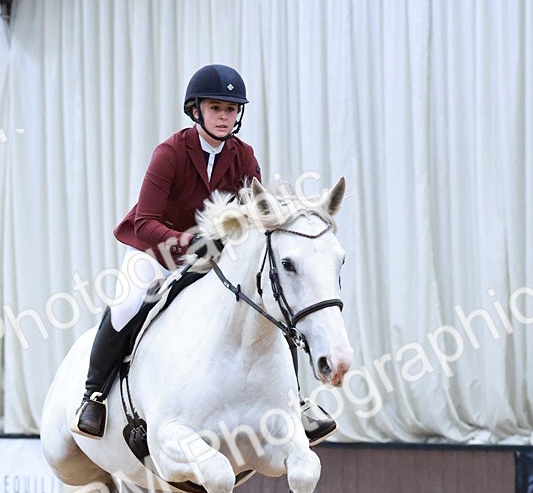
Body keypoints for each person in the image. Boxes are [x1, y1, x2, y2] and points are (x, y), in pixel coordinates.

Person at [71, 64, 336, 445]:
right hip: (159, 251)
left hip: (214, 259)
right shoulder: (170, 154)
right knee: (128, 301)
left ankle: (296, 400)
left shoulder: (244, 156)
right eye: (216, 108)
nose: (224, 117)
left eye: (231, 110)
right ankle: (93, 395)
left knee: (269, 303)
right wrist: (185, 242)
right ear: (195, 110)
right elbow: (145, 220)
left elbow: (259, 213)